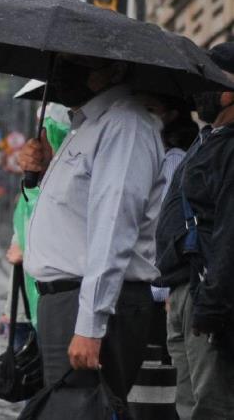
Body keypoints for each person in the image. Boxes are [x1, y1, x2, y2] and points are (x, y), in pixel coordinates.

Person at [18, 53, 165, 403]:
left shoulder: (124, 126)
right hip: (65, 302)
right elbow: (76, 213)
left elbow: (114, 228)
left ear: (115, 68)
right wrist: (40, 171)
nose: (59, 71)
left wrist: (90, 327)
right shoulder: (86, 126)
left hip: (91, 305)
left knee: (82, 409)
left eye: (75, 62)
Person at [155, 42, 234, 420]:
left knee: (210, 406)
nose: (199, 91)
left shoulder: (230, 148)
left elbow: (230, 233)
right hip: (185, 290)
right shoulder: (208, 139)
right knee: (188, 404)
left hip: (208, 296)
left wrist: (211, 304)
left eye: (210, 79)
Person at [5, 103, 70, 351]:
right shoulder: (32, 189)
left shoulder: (60, 185)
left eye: (46, 132)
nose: (39, 139)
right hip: (28, 299)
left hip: (54, 300)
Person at [140, 94, 198, 365]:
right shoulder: (154, 155)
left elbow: (166, 226)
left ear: (172, 115)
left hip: (160, 292)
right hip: (150, 288)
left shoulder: (174, 159)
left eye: (151, 108)